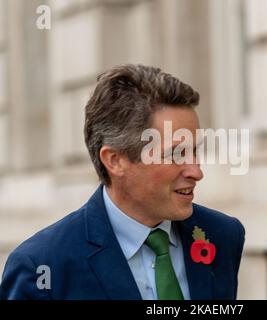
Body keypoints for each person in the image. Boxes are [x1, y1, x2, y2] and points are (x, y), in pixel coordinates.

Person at [0, 64, 245, 300]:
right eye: (176, 153)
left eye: (195, 151)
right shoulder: (41, 266)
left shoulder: (223, 235)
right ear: (115, 161)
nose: (196, 171)